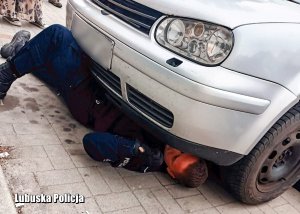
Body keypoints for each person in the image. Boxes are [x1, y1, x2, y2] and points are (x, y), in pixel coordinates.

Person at [0, 25, 208, 187]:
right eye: (183, 152)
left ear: (171, 172)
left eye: (175, 158)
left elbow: (91, 143)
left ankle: (5, 75)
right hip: (97, 87)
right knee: (46, 62)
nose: (175, 150)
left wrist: (136, 149)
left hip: (86, 96)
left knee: (57, 35)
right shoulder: (180, 138)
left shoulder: (144, 159)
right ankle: (17, 50)